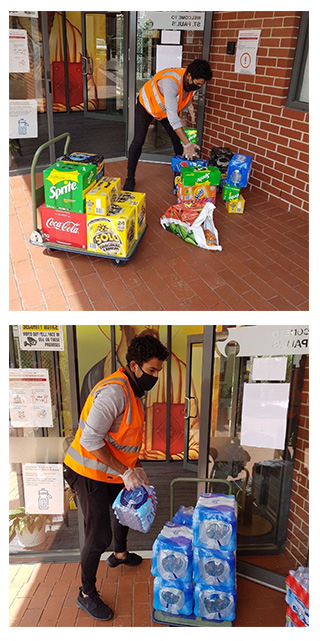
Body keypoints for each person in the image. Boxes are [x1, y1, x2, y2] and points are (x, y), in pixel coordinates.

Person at [63, 334, 169, 622]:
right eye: (151, 371)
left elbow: (123, 441)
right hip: (87, 472)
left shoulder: (133, 391)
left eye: (158, 371)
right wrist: (125, 472)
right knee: (98, 536)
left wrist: (136, 467)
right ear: (134, 365)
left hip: (111, 472)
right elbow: (91, 439)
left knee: (124, 513)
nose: (155, 376)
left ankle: (119, 555)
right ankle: (86, 594)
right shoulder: (114, 392)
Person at [123, 58, 213, 191]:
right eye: (198, 83)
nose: (199, 87)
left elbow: (183, 107)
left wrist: (187, 136)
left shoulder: (192, 84)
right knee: (138, 141)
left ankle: (179, 179)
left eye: (201, 85)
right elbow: (173, 117)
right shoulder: (171, 82)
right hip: (147, 106)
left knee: (177, 140)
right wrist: (188, 144)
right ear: (189, 76)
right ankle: (130, 178)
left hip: (164, 111)